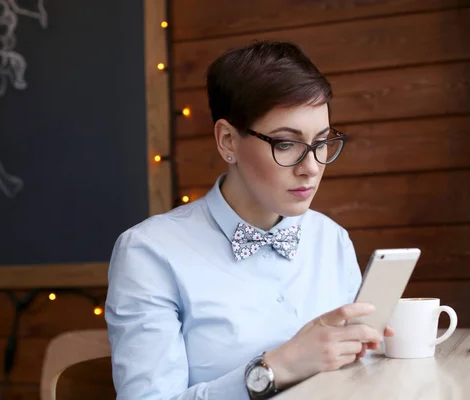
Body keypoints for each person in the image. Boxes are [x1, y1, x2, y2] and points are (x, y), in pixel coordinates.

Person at [105, 40, 393, 400]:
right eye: (286, 144)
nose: (312, 168)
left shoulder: (331, 238)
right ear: (228, 140)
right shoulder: (149, 253)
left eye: (321, 142)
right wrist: (276, 368)